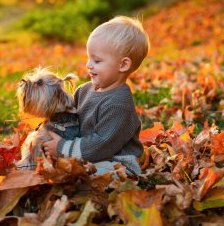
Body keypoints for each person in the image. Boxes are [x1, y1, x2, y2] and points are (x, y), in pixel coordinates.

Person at [42, 16, 149, 175]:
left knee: (92, 174)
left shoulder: (119, 105)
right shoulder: (84, 90)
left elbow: (101, 145)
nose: (88, 65)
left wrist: (61, 147)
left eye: (97, 60)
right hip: (86, 152)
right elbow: (70, 120)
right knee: (63, 166)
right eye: (89, 58)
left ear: (123, 65)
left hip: (117, 159)